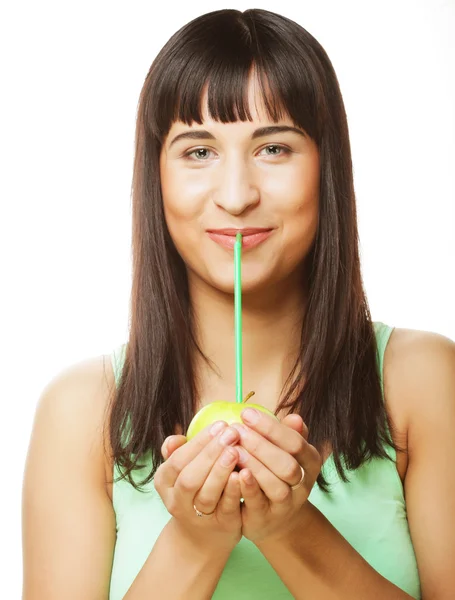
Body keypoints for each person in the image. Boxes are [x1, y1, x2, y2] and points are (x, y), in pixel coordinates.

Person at [21, 8, 454, 600]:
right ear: (157, 178)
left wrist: (293, 529)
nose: (236, 195)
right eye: (198, 152)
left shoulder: (421, 380)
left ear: (327, 170)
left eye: (274, 148)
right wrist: (196, 541)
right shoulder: (80, 411)